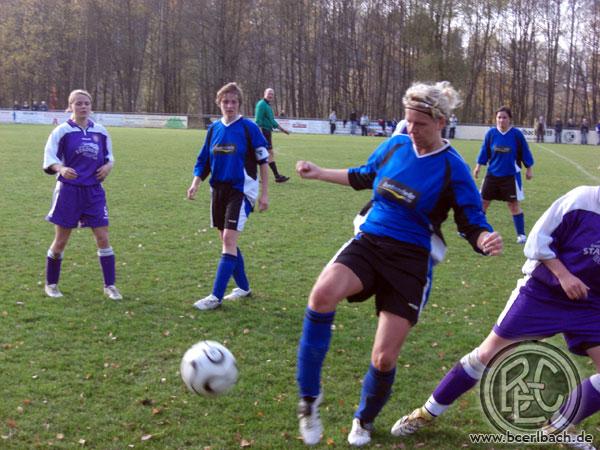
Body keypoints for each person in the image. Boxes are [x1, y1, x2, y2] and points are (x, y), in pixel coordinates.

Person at [294, 81, 503, 447]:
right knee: (321, 295)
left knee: (384, 358)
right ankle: (309, 400)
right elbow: (364, 175)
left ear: (440, 122)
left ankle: (364, 419)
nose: (411, 130)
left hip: (410, 262)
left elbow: (471, 221)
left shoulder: (453, 168)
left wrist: (483, 239)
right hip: (370, 242)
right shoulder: (396, 145)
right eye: (407, 122)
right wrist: (319, 172)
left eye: (419, 124)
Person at [392, 185, 600, 450]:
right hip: (543, 293)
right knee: (486, 355)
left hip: (589, 303)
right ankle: (426, 413)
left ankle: (559, 426)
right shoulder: (581, 200)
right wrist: (564, 275)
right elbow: (537, 241)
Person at [187, 82, 270, 311]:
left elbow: (264, 162)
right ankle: (243, 288)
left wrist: (264, 194)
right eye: (225, 101)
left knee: (228, 240)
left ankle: (215, 297)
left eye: (233, 101)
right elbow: (204, 160)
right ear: (219, 103)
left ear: (239, 103)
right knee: (227, 240)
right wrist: (195, 183)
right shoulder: (214, 129)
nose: (229, 105)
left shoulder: (249, 128)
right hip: (218, 190)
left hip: (241, 191)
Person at [42, 89, 122, 300]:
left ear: (91, 106)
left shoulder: (101, 131)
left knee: (103, 238)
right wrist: (61, 169)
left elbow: (110, 157)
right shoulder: (62, 131)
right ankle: (51, 284)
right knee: (61, 241)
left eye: (86, 103)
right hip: (68, 191)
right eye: (78, 103)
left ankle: (110, 286)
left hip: (94, 191)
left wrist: (108, 167)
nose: (83, 106)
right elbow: (49, 158)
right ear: (70, 106)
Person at [473, 106, 534, 244]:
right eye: (499, 117)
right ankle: (476, 230)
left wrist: (529, 168)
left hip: (510, 176)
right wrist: (478, 167)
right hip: (492, 175)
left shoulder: (516, 134)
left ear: (510, 119)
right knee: (482, 203)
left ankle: (521, 235)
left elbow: (525, 151)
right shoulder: (491, 133)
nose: (501, 120)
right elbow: (484, 151)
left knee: (513, 205)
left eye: (504, 117)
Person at [254, 88, 291, 183]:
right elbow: (258, 120)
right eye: (269, 93)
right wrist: (260, 134)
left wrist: (283, 130)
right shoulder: (261, 104)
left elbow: (272, 121)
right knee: (265, 153)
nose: (270, 95)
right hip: (263, 132)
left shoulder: (267, 106)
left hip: (267, 132)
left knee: (265, 154)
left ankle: (271, 176)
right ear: (264, 94)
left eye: (272, 94)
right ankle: (275, 176)